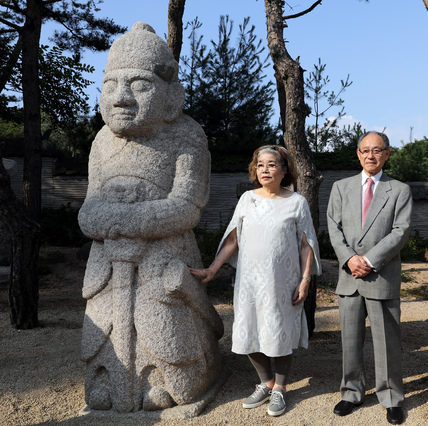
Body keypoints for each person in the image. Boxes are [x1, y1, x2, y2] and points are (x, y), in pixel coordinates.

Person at [78, 22, 223, 413]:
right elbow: (88, 211)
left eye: (139, 85)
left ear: (170, 96)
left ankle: (166, 376)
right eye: (111, 85)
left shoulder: (187, 135)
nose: (121, 98)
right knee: (102, 328)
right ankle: (109, 376)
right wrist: (113, 221)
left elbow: (188, 206)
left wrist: (131, 219)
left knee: (164, 320)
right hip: (108, 262)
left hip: (164, 257)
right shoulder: (102, 142)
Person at [190, 145, 321, 417]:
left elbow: (306, 245)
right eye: (260, 165)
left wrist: (306, 279)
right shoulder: (248, 199)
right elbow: (234, 238)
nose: (265, 169)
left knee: (280, 333)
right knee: (248, 333)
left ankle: (281, 389)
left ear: (284, 170)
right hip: (249, 282)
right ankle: (266, 382)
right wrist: (212, 269)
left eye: (272, 164)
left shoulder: (297, 202)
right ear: (254, 169)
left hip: (283, 283)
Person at [327, 131, 413, 425]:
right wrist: (350, 259)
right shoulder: (341, 188)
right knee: (350, 340)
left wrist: (370, 260)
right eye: (365, 150)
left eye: (377, 150)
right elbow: (333, 228)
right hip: (349, 276)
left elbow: (400, 232)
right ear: (358, 153)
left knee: (387, 342)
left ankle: (391, 397)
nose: (371, 155)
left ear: (387, 154)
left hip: (382, 275)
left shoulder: (399, 190)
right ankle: (351, 392)